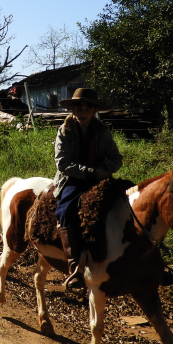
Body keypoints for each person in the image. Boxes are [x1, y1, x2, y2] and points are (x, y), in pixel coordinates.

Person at [53, 88, 122, 290]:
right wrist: (91, 172)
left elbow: (116, 158)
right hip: (72, 180)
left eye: (87, 108)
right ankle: (74, 265)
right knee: (65, 210)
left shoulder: (103, 131)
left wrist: (105, 169)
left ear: (94, 110)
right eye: (78, 108)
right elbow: (63, 163)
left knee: (128, 202)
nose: (82, 112)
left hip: (100, 177)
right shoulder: (64, 131)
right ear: (73, 109)